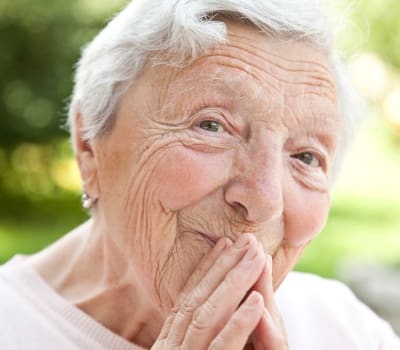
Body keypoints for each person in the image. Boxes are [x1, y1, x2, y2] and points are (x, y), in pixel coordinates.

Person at [0, 0, 399, 349]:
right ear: (89, 144)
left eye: (306, 157)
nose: (263, 201)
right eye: (211, 126)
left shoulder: (348, 330)